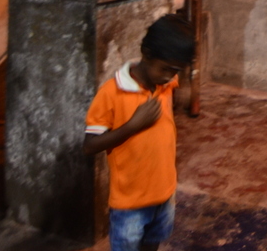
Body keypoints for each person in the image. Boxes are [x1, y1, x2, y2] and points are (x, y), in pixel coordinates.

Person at [84, 14, 195, 251]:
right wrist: (131, 126)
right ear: (146, 53)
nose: (169, 76)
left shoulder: (166, 81)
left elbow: (178, 74)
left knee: (153, 243)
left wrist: (185, 83)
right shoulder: (112, 93)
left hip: (164, 193)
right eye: (166, 69)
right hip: (129, 203)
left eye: (175, 71)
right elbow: (89, 145)